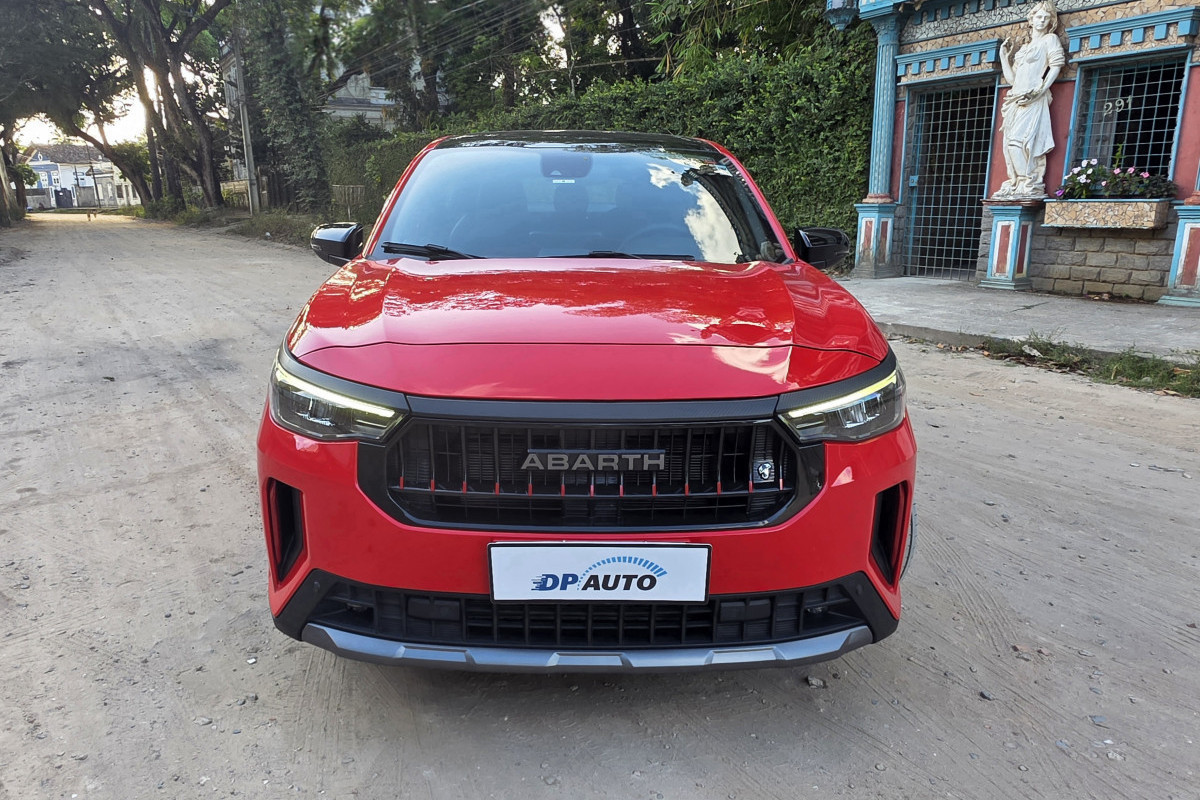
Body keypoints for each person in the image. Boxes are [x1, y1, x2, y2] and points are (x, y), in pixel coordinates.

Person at [994, 0, 1065, 199]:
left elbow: (1056, 66)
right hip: (1016, 98)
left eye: (1046, 17)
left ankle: (1028, 182)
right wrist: (1003, 58)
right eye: (1038, 16)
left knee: (1018, 142)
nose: (1042, 20)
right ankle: (1018, 181)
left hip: (1033, 97)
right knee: (1010, 143)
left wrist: (1040, 90)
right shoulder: (1024, 48)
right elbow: (1013, 80)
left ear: (1051, 22)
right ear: (1031, 19)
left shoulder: (1050, 40)